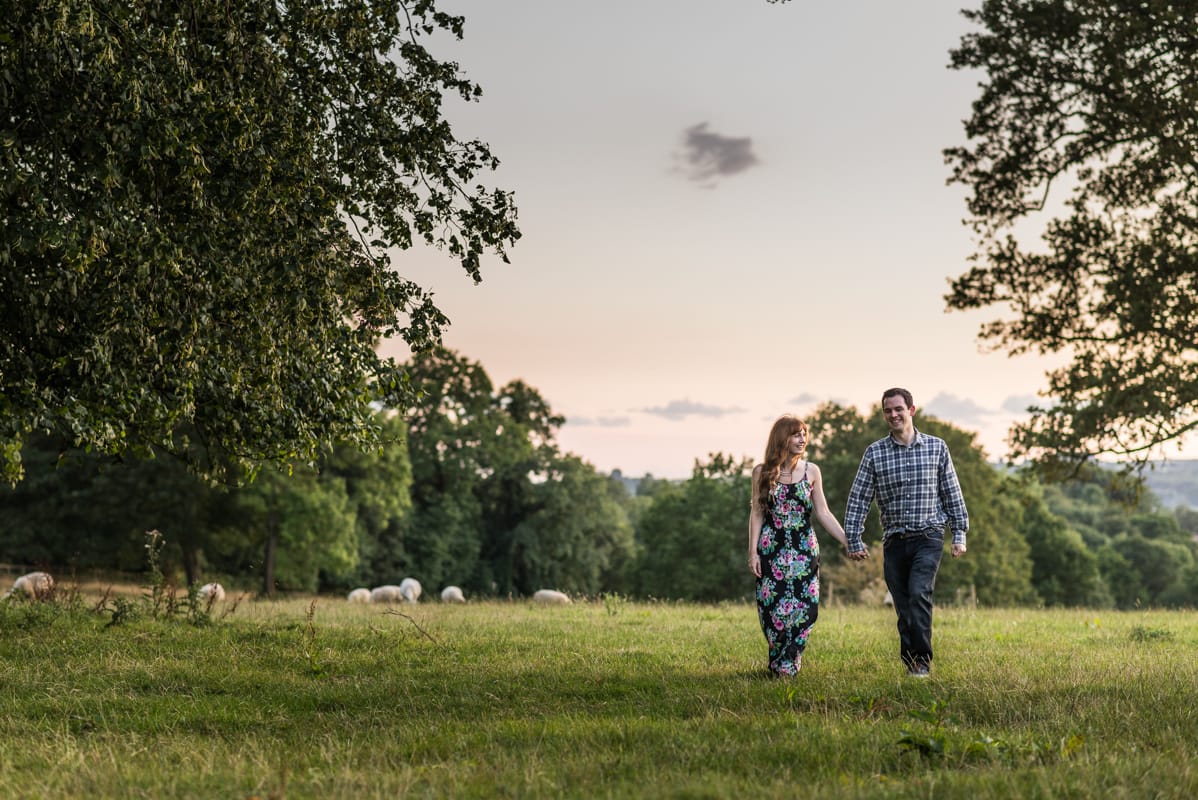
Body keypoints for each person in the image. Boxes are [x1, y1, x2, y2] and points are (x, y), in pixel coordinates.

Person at [843, 388, 968, 678]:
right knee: (903, 605)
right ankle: (911, 661)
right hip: (895, 542)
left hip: (929, 536)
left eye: (898, 408)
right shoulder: (875, 453)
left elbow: (951, 493)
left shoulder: (937, 448)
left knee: (918, 593)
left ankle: (922, 662)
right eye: (887, 410)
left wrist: (959, 534)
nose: (893, 415)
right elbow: (859, 498)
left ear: (912, 410)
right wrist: (853, 538)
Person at [748, 414, 853, 677]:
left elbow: (824, 513)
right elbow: (757, 512)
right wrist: (752, 553)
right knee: (773, 609)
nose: (802, 439)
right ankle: (779, 664)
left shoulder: (812, 471)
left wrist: (847, 541)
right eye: (796, 434)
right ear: (782, 438)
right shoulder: (761, 472)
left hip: (805, 550)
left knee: (805, 609)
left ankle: (792, 661)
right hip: (771, 550)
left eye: (804, 433)